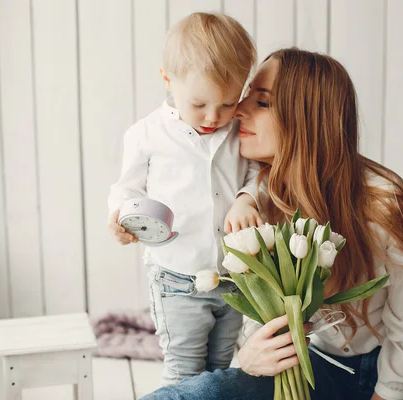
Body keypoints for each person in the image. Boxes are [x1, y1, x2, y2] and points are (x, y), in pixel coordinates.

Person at [141, 48, 403, 400]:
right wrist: (252, 354)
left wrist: (387, 392)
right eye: (247, 96)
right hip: (319, 365)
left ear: (307, 120)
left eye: (262, 103)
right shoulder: (254, 200)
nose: (238, 110)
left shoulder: (383, 203)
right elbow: (256, 300)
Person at [107, 12, 264, 386]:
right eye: (200, 104)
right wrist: (120, 216)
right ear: (167, 79)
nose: (214, 116)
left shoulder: (236, 134)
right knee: (185, 371)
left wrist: (246, 198)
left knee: (221, 369)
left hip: (232, 278)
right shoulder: (147, 135)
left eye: (228, 104)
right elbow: (127, 188)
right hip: (178, 278)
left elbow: (259, 173)